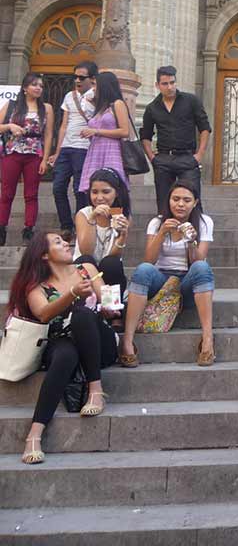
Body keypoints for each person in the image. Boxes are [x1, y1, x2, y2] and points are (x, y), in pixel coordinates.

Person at [6, 230, 118, 464]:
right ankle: (34, 434)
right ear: (44, 255)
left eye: (65, 241)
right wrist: (72, 293)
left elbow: (110, 303)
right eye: (58, 242)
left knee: (82, 315)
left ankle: (95, 391)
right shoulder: (36, 285)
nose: (67, 244)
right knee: (65, 355)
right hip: (62, 339)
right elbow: (44, 314)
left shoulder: (86, 268)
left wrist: (110, 308)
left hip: (99, 341)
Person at [119, 179, 215, 368]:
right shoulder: (157, 222)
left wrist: (191, 241)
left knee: (202, 268)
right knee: (143, 270)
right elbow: (149, 259)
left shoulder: (204, 222)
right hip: (161, 280)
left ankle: (208, 339)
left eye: (186, 200)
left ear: (195, 202)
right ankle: (128, 342)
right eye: (176, 199)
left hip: (188, 281)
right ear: (168, 200)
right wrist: (162, 232)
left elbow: (197, 261)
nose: (180, 204)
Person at [140, 65, 211, 209]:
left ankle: (195, 230)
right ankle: (166, 231)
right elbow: (145, 135)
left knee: (192, 200)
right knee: (164, 202)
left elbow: (204, 128)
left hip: (187, 158)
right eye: (165, 84)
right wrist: (152, 158)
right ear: (157, 85)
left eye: (172, 82)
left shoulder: (191, 101)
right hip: (163, 159)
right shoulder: (152, 108)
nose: (170, 87)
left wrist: (199, 155)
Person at [0, 73, 54, 245]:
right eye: (34, 85)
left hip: (34, 155)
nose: (38, 88)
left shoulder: (46, 108)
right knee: (6, 193)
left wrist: (45, 159)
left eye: (40, 85)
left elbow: (48, 134)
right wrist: (10, 126)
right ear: (25, 88)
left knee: (31, 194)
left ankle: (29, 229)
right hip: (12, 153)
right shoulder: (12, 105)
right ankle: (2, 228)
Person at [50, 61, 98, 237]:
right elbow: (63, 125)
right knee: (58, 187)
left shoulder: (96, 96)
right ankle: (66, 225)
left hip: (84, 148)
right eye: (75, 77)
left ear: (92, 79)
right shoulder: (69, 96)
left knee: (80, 189)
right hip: (66, 148)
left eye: (81, 77)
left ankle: (80, 226)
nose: (77, 80)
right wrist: (57, 151)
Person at [73, 168, 132, 298]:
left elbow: (113, 256)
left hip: (108, 272)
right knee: (86, 260)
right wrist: (92, 218)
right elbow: (86, 251)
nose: (99, 198)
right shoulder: (84, 214)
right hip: (85, 270)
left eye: (106, 192)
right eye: (94, 192)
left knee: (112, 263)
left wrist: (123, 235)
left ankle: (112, 310)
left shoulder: (122, 215)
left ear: (116, 193)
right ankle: (98, 306)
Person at [78, 71, 131, 193]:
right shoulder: (100, 107)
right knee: (94, 189)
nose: (93, 88)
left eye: (95, 85)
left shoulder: (118, 104)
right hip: (95, 151)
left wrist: (96, 131)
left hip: (111, 151)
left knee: (111, 187)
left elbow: (124, 131)